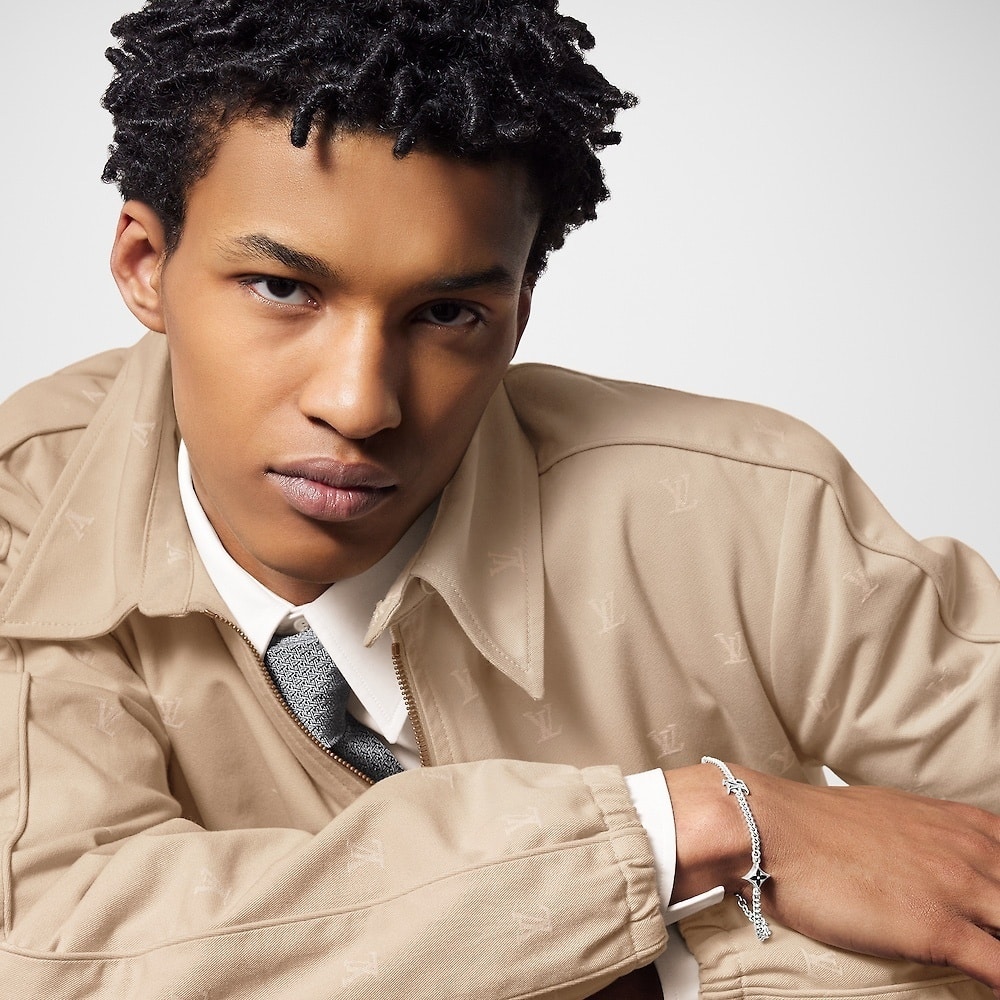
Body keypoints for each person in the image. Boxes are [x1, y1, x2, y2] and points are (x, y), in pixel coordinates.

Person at [0, 1, 997, 998]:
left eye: (446, 313)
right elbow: (57, 954)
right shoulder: (26, 518)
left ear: (517, 314)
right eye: (283, 289)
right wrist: (693, 831)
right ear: (145, 265)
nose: (359, 403)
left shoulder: (749, 518)